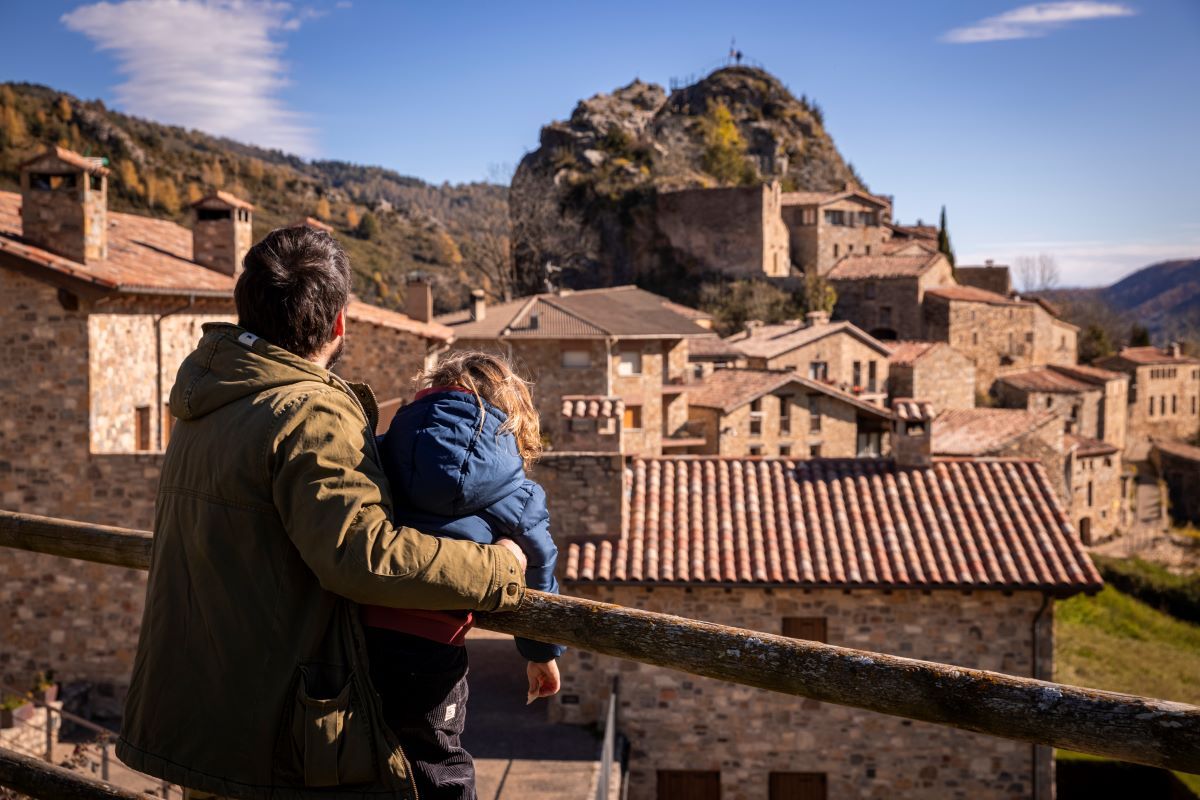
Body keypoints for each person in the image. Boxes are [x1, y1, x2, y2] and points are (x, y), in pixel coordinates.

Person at [116, 226, 529, 800]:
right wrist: (499, 569)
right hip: (275, 737)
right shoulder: (309, 412)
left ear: (247, 311)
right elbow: (363, 556)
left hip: (206, 721)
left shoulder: (209, 401)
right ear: (338, 324)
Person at [363, 352, 564, 799]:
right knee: (439, 762)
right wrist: (540, 653)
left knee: (365, 757)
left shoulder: (378, 450)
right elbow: (540, 566)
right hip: (433, 643)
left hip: (356, 631)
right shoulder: (515, 487)